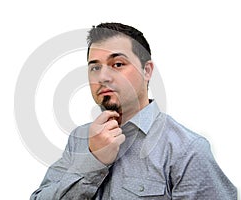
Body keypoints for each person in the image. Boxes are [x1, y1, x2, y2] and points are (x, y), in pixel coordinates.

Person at [30, 22, 237, 199]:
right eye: (95, 67)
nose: (103, 77)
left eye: (118, 64)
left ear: (147, 71)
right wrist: (93, 161)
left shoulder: (187, 150)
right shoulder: (81, 138)